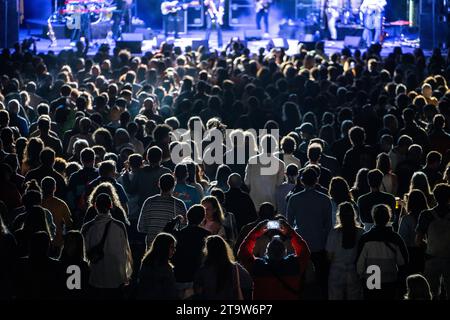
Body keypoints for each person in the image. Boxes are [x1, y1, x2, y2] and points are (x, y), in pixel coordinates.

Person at [238, 219, 311, 299]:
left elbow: (243, 252)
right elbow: (305, 251)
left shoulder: (258, 267)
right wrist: (290, 232)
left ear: (266, 252)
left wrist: (257, 231)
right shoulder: (294, 265)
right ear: (285, 251)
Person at [287, 167, 332, 298]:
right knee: (321, 278)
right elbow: (328, 225)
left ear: (302, 181)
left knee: (299, 277)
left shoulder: (294, 199)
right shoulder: (325, 199)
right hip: (319, 243)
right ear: (316, 180)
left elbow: (289, 224)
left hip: (300, 243)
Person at [81, 193, 133, 298]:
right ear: (110, 206)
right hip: (115, 277)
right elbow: (125, 252)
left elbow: (83, 254)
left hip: (95, 276)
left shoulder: (87, 227)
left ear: (95, 206)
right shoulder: (119, 226)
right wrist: (125, 275)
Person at [356, 204, 409, 300]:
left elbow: (359, 265)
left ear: (373, 218)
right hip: (390, 280)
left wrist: (361, 276)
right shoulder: (395, 238)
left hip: (371, 280)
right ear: (388, 218)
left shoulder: (366, 238)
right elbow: (403, 262)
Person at [416, 183, 450, 299]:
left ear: (434, 196)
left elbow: (418, 241)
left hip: (432, 257)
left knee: (431, 292)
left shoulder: (426, 215)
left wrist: (429, 245)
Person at [194, 235, 253, 300]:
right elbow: (249, 284)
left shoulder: (203, 271)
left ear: (208, 250)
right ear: (224, 248)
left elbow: (198, 291)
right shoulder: (236, 268)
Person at [326, 202, 364, 300]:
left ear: (339, 215)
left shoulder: (334, 233)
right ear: (354, 215)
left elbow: (329, 256)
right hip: (354, 272)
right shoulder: (361, 232)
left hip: (336, 271)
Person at [138, 173, 187, 248]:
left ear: (159, 184)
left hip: (151, 245)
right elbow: (183, 227)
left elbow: (141, 228)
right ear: (174, 186)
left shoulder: (149, 201)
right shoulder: (179, 204)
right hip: (169, 246)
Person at [244, 134, 285, 209]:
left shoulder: (252, 160)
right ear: (274, 146)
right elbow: (279, 185)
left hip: (254, 203)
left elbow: (247, 182)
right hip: (271, 204)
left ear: (262, 145)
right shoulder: (280, 164)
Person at [136, 232, 179, 299]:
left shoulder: (146, 262)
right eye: (171, 247)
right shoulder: (165, 269)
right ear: (164, 248)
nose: (174, 250)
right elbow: (170, 292)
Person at [398, 189, 428, 275]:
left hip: (411, 253)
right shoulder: (428, 217)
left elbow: (402, 239)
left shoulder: (407, 219)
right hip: (426, 252)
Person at [41, 177, 72, 253]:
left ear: (41, 187)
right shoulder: (61, 204)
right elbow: (69, 223)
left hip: (39, 242)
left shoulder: (38, 203)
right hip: (57, 242)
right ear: (54, 188)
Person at [59, 230, 90, 299]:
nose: (67, 245)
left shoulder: (58, 264)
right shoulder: (83, 265)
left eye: (71, 242)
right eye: (67, 242)